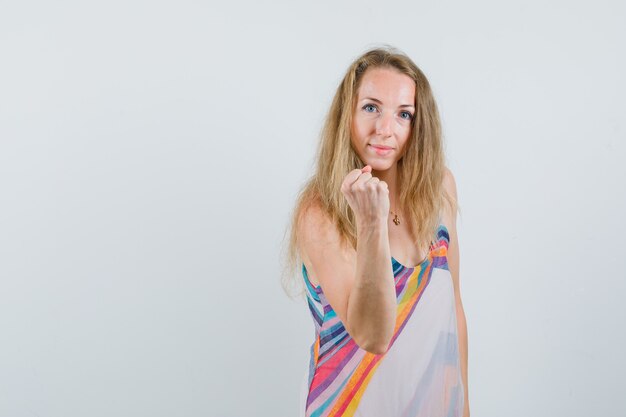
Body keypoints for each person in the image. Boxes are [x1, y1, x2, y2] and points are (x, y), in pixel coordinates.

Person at [282, 46, 470, 417]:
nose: (385, 129)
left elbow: (455, 311)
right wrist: (371, 223)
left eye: (404, 114)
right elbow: (373, 336)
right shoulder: (320, 212)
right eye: (371, 107)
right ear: (346, 114)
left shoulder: (440, 189)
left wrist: (464, 407)